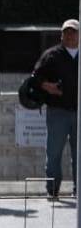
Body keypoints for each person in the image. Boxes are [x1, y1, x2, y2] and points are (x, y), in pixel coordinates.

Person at [31, 18, 79, 199]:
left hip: (79, 112)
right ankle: (52, 189)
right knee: (53, 153)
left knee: (79, 154)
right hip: (57, 111)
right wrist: (47, 86)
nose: (70, 35)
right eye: (66, 31)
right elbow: (35, 76)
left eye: (73, 31)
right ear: (61, 35)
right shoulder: (51, 55)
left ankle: (78, 190)